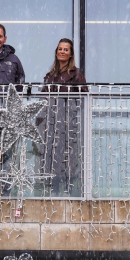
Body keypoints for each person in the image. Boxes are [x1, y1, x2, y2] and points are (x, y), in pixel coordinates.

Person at [39, 38, 87, 196]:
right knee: (51, 154)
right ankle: (53, 186)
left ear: (71, 54)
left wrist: (70, 110)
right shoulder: (50, 75)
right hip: (50, 122)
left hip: (68, 122)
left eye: (66, 49)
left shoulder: (76, 74)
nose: (62, 52)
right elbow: (43, 99)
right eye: (60, 49)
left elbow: (84, 97)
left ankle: (69, 187)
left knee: (68, 154)